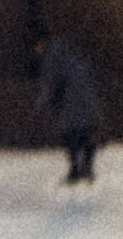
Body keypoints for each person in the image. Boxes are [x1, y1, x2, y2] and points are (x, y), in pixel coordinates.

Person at [35, 34, 100, 184]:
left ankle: (76, 170)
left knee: (69, 134)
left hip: (73, 101)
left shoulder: (52, 58)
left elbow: (52, 84)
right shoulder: (68, 54)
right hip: (85, 98)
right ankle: (86, 168)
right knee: (85, 132)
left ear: (41, 44)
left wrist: (42, 105)